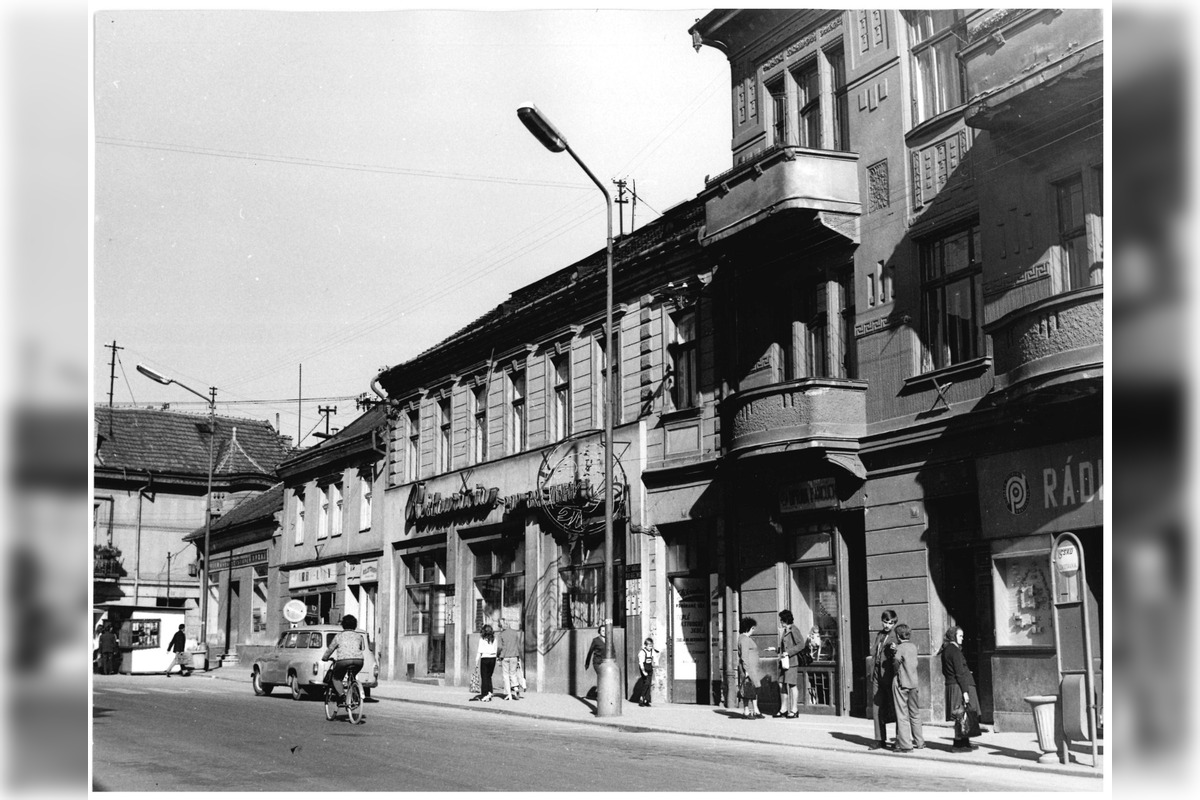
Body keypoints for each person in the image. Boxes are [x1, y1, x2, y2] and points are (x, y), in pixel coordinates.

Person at [939, 625, 982, 752]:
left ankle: (965, 742)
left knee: (962, 715)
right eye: (960, 636)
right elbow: (959, 673)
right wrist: (965, 692)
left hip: (953, 685)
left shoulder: (947, 650)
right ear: (953, 636)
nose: (962, 638)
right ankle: (958, 744)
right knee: (961, 715)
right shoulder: (955, 651)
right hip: (959, 686)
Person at [891, 623, 925, 753]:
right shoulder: (913, 647)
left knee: (902, 714)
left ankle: (906, 745)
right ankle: (920, 741)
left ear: (898, 636)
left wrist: (895, 653)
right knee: (915, 713)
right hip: (913, 684)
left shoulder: (900, 648)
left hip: (901, 683)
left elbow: (896, 662)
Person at [869, 609, 899, 749]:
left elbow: (898, 652)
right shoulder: (879, 634)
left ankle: (900, 739)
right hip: (876, 674)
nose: (888, 625)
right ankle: (879, 738)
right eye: (886, 622)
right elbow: (873, 652)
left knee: (895, 707)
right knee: (877, 707)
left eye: (891, 623)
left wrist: (894, 649)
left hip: (888, 676)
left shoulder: (895, 635)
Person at [321, 614, 365, 704]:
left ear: (343, 625)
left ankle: (342, 695)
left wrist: (325, 658)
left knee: (336, 678)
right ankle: (354, 691)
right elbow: (361, 647)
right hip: (359, 660)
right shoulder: (359, 636)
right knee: (352, 675)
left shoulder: (339, 636)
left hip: (343, 661)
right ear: (355, 625)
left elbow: (331, 649)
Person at [774, 610, 804, 718]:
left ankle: (794, 709)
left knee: (792, 685)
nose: (780, 622)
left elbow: (801, 644)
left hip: (791, 662)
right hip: (784, 662)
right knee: (781, 684)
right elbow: (784, 646)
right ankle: (783, 709)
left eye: (781, 620)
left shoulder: (794, 630)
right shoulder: (785, 630)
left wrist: (789, 652)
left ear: (786, 620)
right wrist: (777, 650)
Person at [737, 617, 764, 719]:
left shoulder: (743, 638)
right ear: (749, 628)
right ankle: (746, 711)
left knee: (752, 690)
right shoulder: (744, 639)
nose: (754, 630)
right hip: (749, 669)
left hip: (752, 669)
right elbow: (744, 656)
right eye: (753, 628)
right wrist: (747, 670)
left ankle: (755, 710)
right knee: (748, 690)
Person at [496, 617, 523, 701]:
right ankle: (515, 688)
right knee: (513, 673)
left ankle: (509, 694)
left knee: (505, 675)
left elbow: (500, 647)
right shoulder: (515, 633)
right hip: (514, 655)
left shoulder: (501, 634)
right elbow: (518, 645)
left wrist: (498, 656)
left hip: (505, 656)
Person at [472, 624, 498, 702]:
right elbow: (496, 650)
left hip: (485, 658)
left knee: (484, 677)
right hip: (493, 658)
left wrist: (476, 662)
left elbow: (479, 652)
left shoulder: (482, 639)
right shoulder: (494, 639)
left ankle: (485, 694)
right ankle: (490, 692)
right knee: (489, 676)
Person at [637, 637, 658, 707]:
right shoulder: (642, 652)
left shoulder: (652, 651)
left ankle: (646, 700)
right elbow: (641, 663)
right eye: (649, 646)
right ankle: (641, 698)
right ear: (645, 645)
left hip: (649, 668)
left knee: (648, 684)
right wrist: (643, 671)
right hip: (644, 668)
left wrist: (655, 663)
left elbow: (655, 658)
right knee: (646, 683)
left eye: (651, 646)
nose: (650, 647)